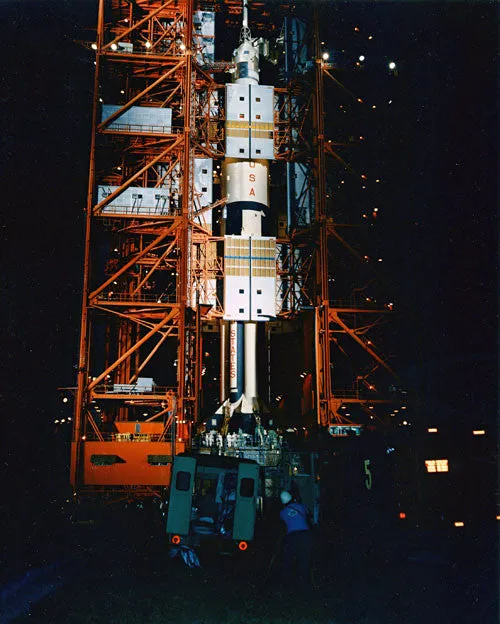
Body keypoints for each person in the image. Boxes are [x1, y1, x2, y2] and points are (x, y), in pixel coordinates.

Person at [279, 490, 313, 587]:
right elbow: (309, 514)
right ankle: (304, 584)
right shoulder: (301, 506)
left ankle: (288, 583)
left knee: (289, 559)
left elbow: (283, 522)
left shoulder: (283, 512)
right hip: (305, 535)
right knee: (304, 559)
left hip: (292, 537)